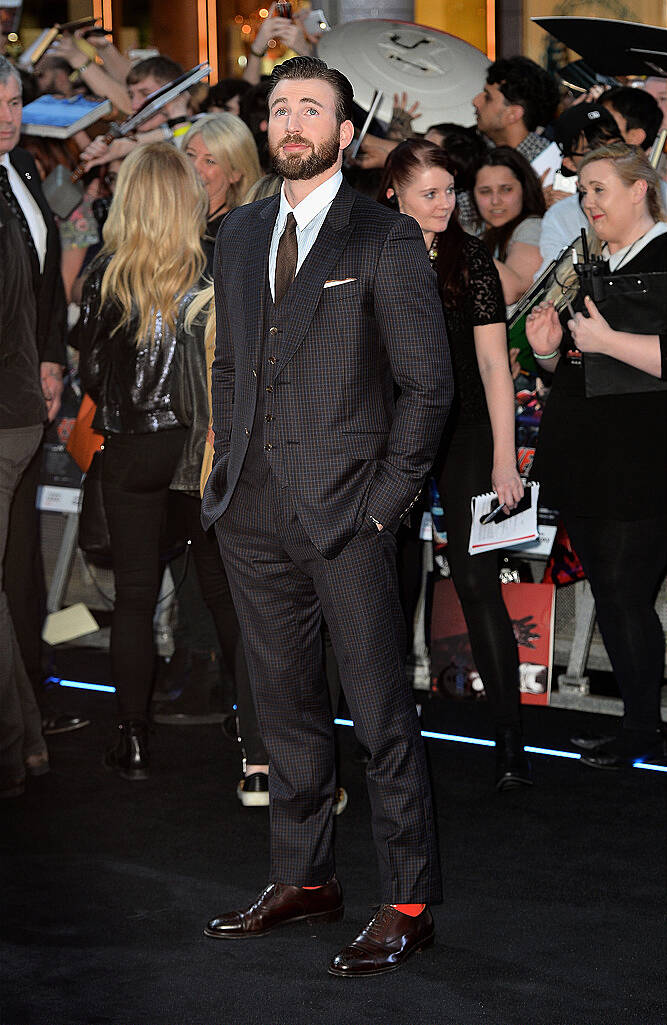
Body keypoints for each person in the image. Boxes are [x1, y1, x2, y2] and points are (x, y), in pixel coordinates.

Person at [201, 56, 452, 977]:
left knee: (382, 713)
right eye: (280, 108)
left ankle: (408, 899)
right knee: (285, 709)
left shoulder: (381, 238)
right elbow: (231, 368)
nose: (293, 121)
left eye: (313, 108)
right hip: (253, 512)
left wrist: (383, 509)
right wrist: (225, 477)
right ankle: (303, 876)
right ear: (266, 129)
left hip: (351, 516)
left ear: (347, 134)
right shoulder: (235, 234)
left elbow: (428, 389)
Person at [379, 139, 531, 789]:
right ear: (394, 194)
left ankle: (509, 742)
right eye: (429, 194)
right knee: (386, 586)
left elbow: (496, 365)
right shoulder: (370, 253)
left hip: (466, 430)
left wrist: (505, 457)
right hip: (389, 437)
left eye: (449, 192)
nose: (445, 206)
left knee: (475, 581)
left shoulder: (470, 256)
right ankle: (382, 731)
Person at [526, 143, 667, 769]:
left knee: (626, 594)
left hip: (643, 458)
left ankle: (641, 728)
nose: (587, 202)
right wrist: (551, 352)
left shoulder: (663, 257)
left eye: (600, 189)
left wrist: (604, 338)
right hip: (587, 453)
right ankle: (638, 726)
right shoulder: (593, 262)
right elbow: (578, 371)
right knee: (611, 594)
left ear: (640, 190)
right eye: (582, 191)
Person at [78, 143, 208, 779]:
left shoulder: (108, 271)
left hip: (132, 446)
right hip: (197, 449)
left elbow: (92, 370)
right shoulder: (211, 267)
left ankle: (132, 741)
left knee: (133, 599)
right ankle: (258, 752)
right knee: (229, 596)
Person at [537, 103, 621, 270]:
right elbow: (555, 280)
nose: (611, 157)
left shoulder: (658, 192)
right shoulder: (560, 216)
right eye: (594, 152)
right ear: (570, 163)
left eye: (616, 145)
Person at [182, 113, 262, 273]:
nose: (193, 168)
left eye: (209, 161)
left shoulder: (233, 240)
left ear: (235, 172)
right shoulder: (170, 218)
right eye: (190, 155)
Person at [473, 147, 545, 310]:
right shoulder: (477, 230)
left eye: (506, 189)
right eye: (485, 192)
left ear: (524, 189)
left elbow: (511, 291)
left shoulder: (533, 226)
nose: (495, 201)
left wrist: (458, 241)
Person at [472, 56, 559, 163]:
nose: (475, 101)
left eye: (488, 97)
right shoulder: (476, 152)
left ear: (513, 114)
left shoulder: (546, 166)